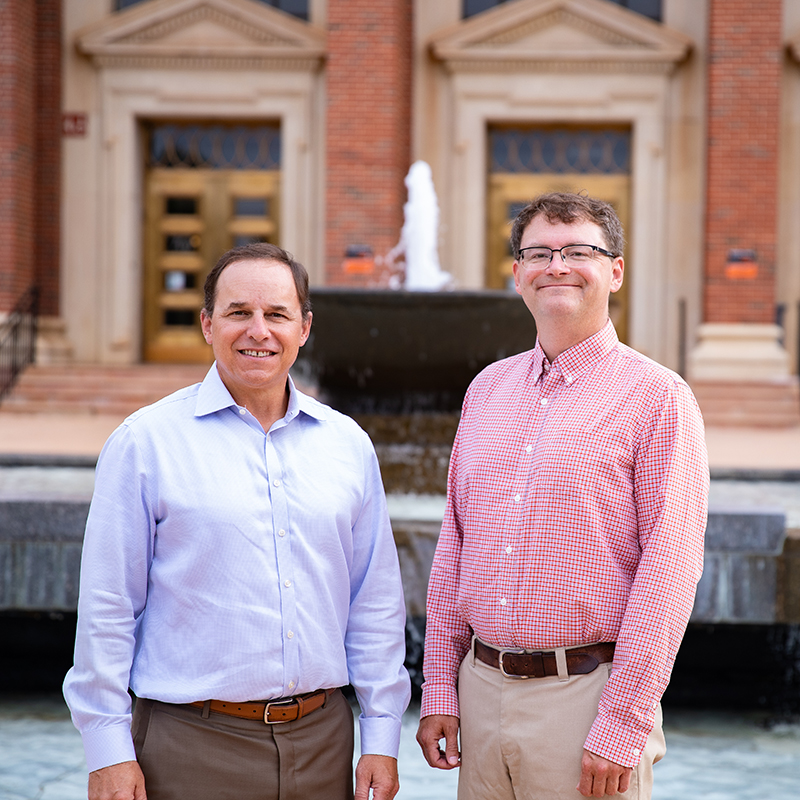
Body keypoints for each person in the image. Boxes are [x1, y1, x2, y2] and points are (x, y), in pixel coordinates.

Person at [64, 242, 411, 800]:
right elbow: (108, 606)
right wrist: (107, 750)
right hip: (190, 744)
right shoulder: (145, 443)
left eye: (277, 314)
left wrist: (381, 736)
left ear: (304, 327)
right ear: (207, 325)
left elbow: (374, 601)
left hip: (324, 744)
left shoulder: (348, 445)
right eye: (238, 313)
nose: (259, 331)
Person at [416, 193, 708, 799]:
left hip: (586, 698)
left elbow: (670, 571)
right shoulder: (486, 390)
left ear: (615, 270)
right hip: (480, 687)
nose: (558, 266)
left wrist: (621, 725)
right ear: (517, 272)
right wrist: (440, 688)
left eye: (579, 251)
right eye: (540, 252)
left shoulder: (658, 397)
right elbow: (454, 549)